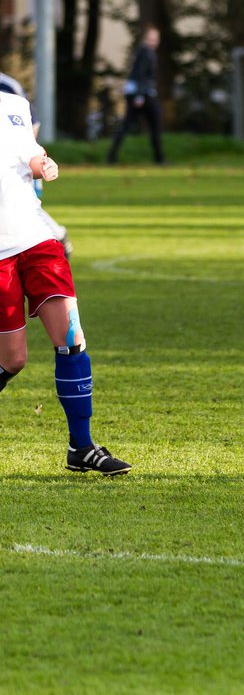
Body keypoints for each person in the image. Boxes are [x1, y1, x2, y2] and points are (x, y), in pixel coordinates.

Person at [0, 89, 131, 475]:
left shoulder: (12, 103)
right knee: (13, 359)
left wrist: (44, 163)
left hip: (38, 237)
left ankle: (82, 446)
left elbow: (28, 149)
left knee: (71, 339)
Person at [0, 71, 73, 258]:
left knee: (22, 205)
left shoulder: (10, 90)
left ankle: (56, 234)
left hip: (17, 168)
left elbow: (30, 125)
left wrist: (27, 157)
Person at [107, 24, 166, 165]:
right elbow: (140, 74)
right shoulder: (145, 52)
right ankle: (159, 158)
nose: (154, 41)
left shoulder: (144, 52)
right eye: (152, 38)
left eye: (156, 38)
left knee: (128, 125)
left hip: (140, 93)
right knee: (154, 124)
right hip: (142, 94)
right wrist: (139, 96)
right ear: (146, 38)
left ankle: (112, 156)